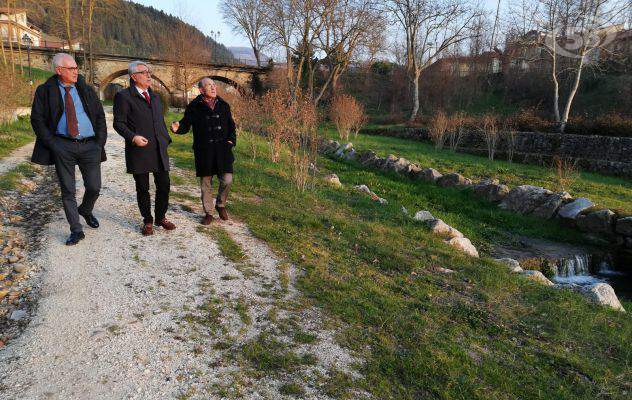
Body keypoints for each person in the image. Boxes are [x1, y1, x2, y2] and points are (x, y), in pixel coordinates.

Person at [30, 53, 107, 246]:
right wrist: (52, 143)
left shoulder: (85, 89)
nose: (76, 72)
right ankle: (76, 229)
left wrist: (99, 143)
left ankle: (86, 210)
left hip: (90, 145)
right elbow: (37, 120)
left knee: (94, 187)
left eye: (75, 68)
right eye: (71, 69)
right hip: (62, 145)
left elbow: (99, 116)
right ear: (59, 70)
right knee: (68, 190)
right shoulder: (45, 91)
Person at [113, 61, 175, 236]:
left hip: (158, 148)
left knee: (164, 184)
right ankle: (147, 221)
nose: (149, 75)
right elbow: (118, 123)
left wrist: (165, 138)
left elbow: (158, 120)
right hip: (139, 149)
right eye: (144, 72)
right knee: (143, 187)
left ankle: (161, 217)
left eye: (149, 72)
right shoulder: (124, 97)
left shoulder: (155, 97)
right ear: (134, 76)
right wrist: (133, 137)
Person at [170, 78, 236, 224]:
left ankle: (220, 204)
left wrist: (231, 141)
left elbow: (232, 126)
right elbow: (185, 125)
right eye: (209, 86)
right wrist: (177, 128)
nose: (213, 88)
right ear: (201, 90)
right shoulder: (194, 107)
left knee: (227, 180)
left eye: (214, 85)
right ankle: (209, 213)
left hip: (223, 150)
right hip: (204, 151)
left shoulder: (224, 105)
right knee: (206, 184)